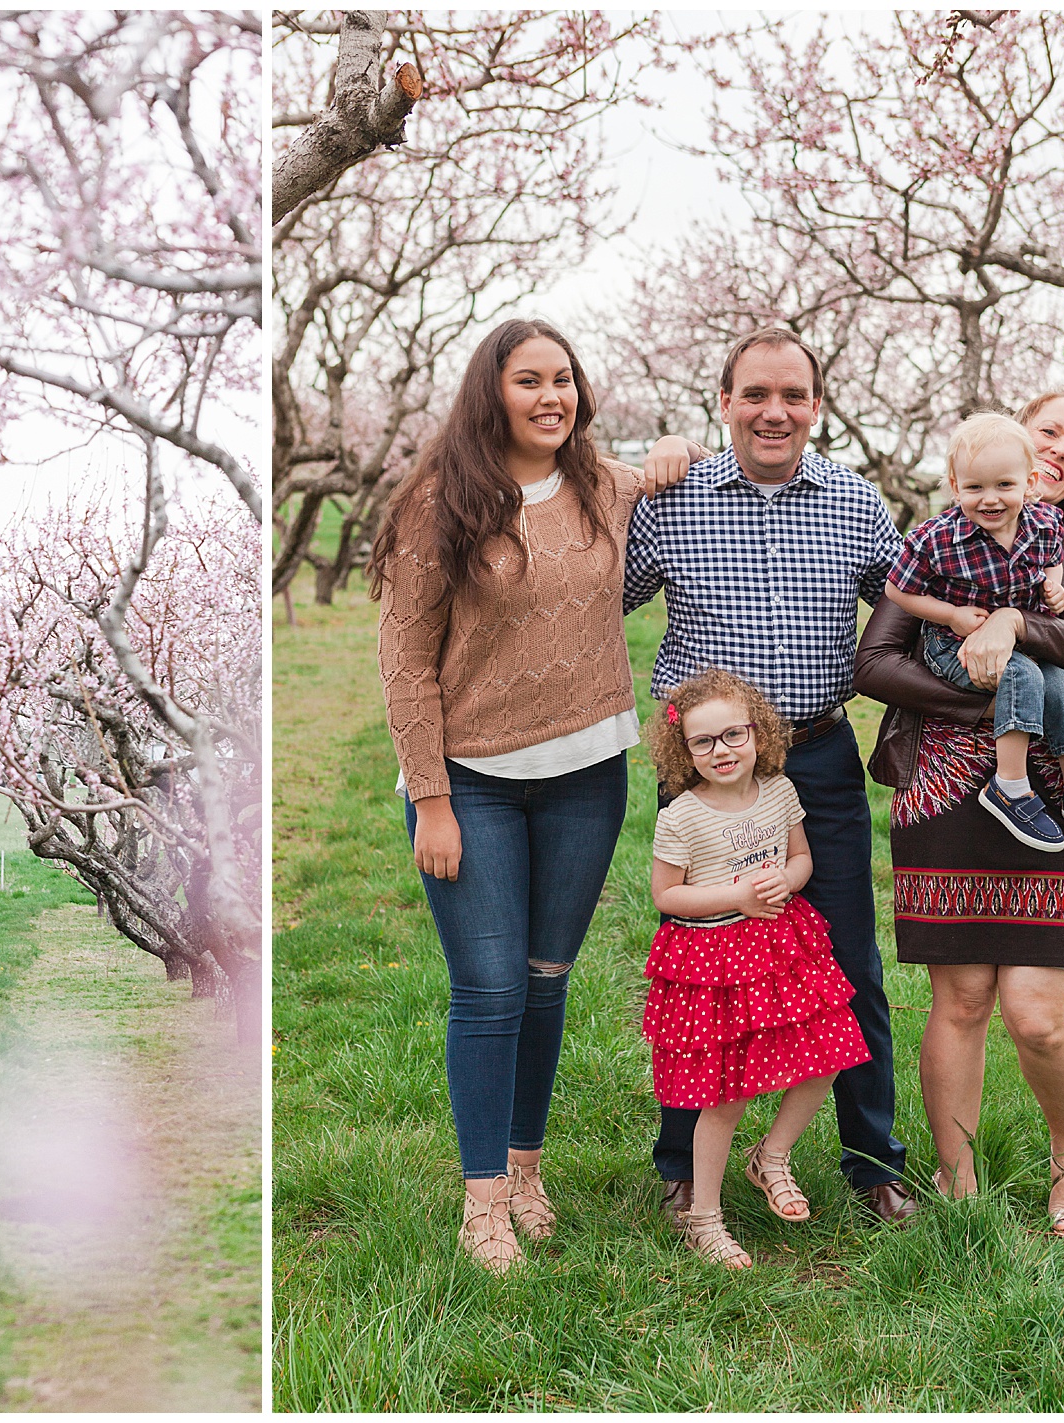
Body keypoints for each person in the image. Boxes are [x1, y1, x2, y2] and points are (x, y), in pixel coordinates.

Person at [368, 318, 642, 1272]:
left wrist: (694, 451)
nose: (551, 397)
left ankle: (529, 1172)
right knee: (487, 991)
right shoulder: (439, 504)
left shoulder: (605, 485)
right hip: (473, 784)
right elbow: (405, 664)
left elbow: (661, 469)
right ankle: (481, 1199)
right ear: (492, 391)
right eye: (529, 381)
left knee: (545, 981)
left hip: (587, 777)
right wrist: (432, 800)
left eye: (563, 379)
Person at [630, 328, 916, 1227]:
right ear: (724, 403)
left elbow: (910, 603)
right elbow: (593, 595)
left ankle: (873, 1161)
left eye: (793, 395)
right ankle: (685, 1165)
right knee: (708, 968)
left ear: (817, 408)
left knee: (848, 959)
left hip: (816, 759)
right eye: (755, 393)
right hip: (705, 772)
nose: (774, 412)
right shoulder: (672, 502)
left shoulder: (856, 503)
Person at [855, 390, 1064, 1234]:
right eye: (1050, 430)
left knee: (1038, 1013)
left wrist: (1012, 623)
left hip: (1051, 791)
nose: (1061, 451)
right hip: (944, 792)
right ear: (1014, 437)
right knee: (964, 999)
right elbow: (877, 659)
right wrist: (975, 702)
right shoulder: (943, 538)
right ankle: (956, 1170)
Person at [642, 669, 872, 1268]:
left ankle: (771, 1157)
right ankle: (705, 1217)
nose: (722, 751)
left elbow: (801, 857)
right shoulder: (682, 816)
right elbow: (666, 896)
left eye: (733, 736)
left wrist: (787, 883)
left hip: (780, 946)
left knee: (829, 1052)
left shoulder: (780, 791)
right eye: (704, 742)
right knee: (726, 1092)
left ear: (758, 733)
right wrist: (735, 898)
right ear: (683, 750)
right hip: (714, 961)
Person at [883, 412, 1064, 851]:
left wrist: (1053, 587)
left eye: (1004, 486)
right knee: (1024, 675)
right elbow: (896, 590)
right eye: (975, 487)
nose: (990, 499)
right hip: (955, 644)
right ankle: (1010, 788)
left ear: (1029, 482)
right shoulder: (935, 539)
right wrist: (949, 614)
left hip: (1026, 649)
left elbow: (1052, 561)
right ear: (955, 485)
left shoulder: (1043, 523)